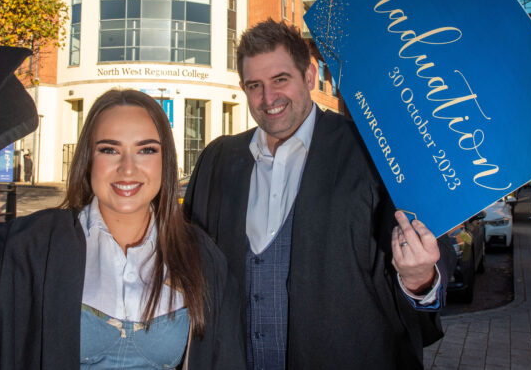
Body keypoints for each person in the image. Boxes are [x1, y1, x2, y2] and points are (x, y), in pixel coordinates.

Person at [0, 89, 244, 369]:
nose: (128, 169)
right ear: (87, 160)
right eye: (110, 150)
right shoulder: (31, 246)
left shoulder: (199, 257)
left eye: (146, 150)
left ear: (166, 161)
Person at [184, 19, 448, 369]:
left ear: (309, 77)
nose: (268, 99)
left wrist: (419, 280)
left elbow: (426, 251)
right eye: (254, 86)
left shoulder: (373, 154)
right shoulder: (217, 161)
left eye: (280, 80)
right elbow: (186, 264)